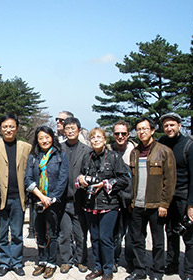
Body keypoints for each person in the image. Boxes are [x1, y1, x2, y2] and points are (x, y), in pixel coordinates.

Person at [125, 117, 176, 280]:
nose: (142, 132)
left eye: (145, 129)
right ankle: (140, 270)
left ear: (152, 130)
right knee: (137, 240)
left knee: (158, 241)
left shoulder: (164, 151)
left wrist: (164, 204)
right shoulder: (134, 152)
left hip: (156, 205)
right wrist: (131, 202)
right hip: (137, 205)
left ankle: (157, 271)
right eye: (139, 129)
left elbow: (170, 180)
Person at [76, 127, 130, 280]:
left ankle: (108, 269)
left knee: (106, 238)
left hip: (109, 204)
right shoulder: (87, 157)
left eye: (99, 137)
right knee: (94, 238)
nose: (96, 140)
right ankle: (98, 267)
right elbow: (81, 175)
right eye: (93, 138)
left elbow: (124, 179)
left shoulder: (114, 157)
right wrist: (81, 180)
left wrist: (105, 183)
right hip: (90, 204)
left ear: (105, 140)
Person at [0, 113, 32, 277]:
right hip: (0, 198)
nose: (8, 129)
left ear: (17, 128)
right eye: (5, 126)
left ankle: (17, 262)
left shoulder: (25, 147)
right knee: (1, 233)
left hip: (18, 197)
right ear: (1, 128)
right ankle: (4, 262)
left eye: (11, 126)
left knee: (18, 233)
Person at [25, 126, 69, 279]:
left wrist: (50, 199)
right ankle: (42, 260)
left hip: (53, 202)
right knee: (40, 232)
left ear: (52, 137)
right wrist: (41, 197)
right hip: (37, 200)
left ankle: (51, 262)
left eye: (47, 137)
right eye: (41, 138)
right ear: (37, 140)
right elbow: (28, 179)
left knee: (52, 233)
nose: (44, 140)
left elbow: (63, 180)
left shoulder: (60, 155)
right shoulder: (33, 157)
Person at [158, 112, 193, 280]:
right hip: (167, 195)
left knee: (188, 235)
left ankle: (190, 270)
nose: (169, 128)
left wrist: (192, 204)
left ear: (179, 126)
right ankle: (172, 264)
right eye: (166, 126)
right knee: (171, 232)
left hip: (184, 195)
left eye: (172, 125)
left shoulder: (190, 146)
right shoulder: (162, 143)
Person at [58, 117, 92, 274]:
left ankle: (81, 260)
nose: (70, 131)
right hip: (63, 199)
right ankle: (66, 260)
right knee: (64, 233)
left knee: (80, 233)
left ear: (79, 130)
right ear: (64, 131)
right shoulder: (58, 148)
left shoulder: (87, 150)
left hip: (80, 199)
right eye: (67, 128)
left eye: (73, 128)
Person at [109, 120, 136, 273]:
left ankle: (131, 261)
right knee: (115, 233)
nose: (120, 136)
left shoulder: (135, 151)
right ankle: (113, 259)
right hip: (113, 199)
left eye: (123, 133)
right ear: (113, 135)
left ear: (128, 134)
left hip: (131, 199)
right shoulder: (108, 150)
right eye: (117, 133)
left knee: (132, 233)